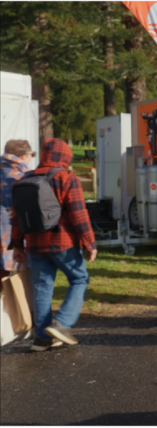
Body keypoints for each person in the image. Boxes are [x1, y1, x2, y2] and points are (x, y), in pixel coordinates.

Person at [10, 138, 97, 352]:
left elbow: (17, 217)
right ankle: (62, 324)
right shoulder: (66, 178)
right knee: (79, 278)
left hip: (35, 244)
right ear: (65, 156)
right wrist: (89, 243)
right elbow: (79, 214)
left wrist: (18, 246)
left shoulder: (24, 179)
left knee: (42, 288)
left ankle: (41, 338)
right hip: (63, 243)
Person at [2, 140, 34, 278]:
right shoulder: (22, 177)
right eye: (31, 155)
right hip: (11, 230)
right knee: (15, 273)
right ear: (23, 157)